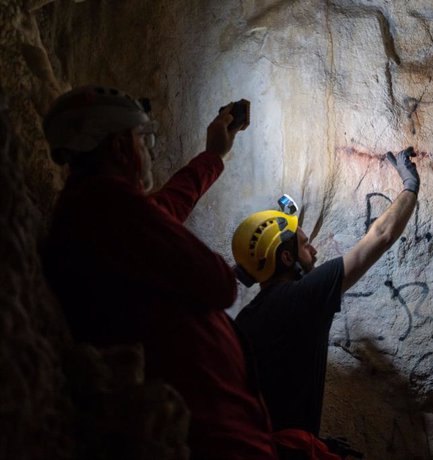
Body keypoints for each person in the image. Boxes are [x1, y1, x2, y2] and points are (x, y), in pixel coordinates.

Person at [41, 85, 278, 460]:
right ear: (120, 147)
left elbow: (164, 208)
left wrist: (213, 156)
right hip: (210, 429)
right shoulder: (105, 204)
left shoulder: (96, 211)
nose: (145, 150)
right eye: (140, 139)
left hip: (208, 422)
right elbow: (217, 282)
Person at [231, 147, 420, 440]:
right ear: (284, 258)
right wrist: (410, 186)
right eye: (305, 245)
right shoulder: (302, 297)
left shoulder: (245, 319)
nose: (314, 250)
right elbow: (381, 236)